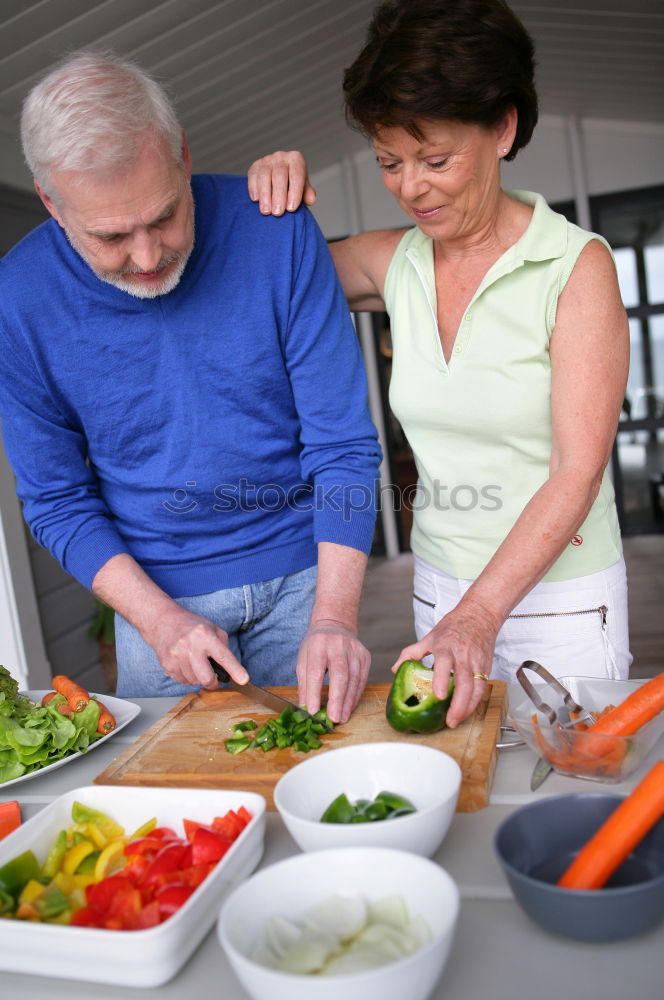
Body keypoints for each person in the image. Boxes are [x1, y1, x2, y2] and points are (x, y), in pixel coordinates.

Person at [248, 0, 631, 728]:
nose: (410, 187)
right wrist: (267, 199)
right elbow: (262, 281)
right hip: (438, 590)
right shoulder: (393, 263)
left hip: (564, 602)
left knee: (573, 800)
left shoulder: (575, 268)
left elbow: (576, 471)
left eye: (436, 160)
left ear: (503, 128)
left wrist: (480, 615)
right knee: (456, 788)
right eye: (390, 161)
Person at [0, 50, 382, 722]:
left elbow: (342, 445)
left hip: (309, 588)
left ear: (181, 153)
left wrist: (335, 618)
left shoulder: (277, 229)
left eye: (165, 216)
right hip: (156, 611)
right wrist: (160, 621)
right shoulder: (17, 302)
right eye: (111, 237)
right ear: (52, 204)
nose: (148, 258)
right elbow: (57, 499)